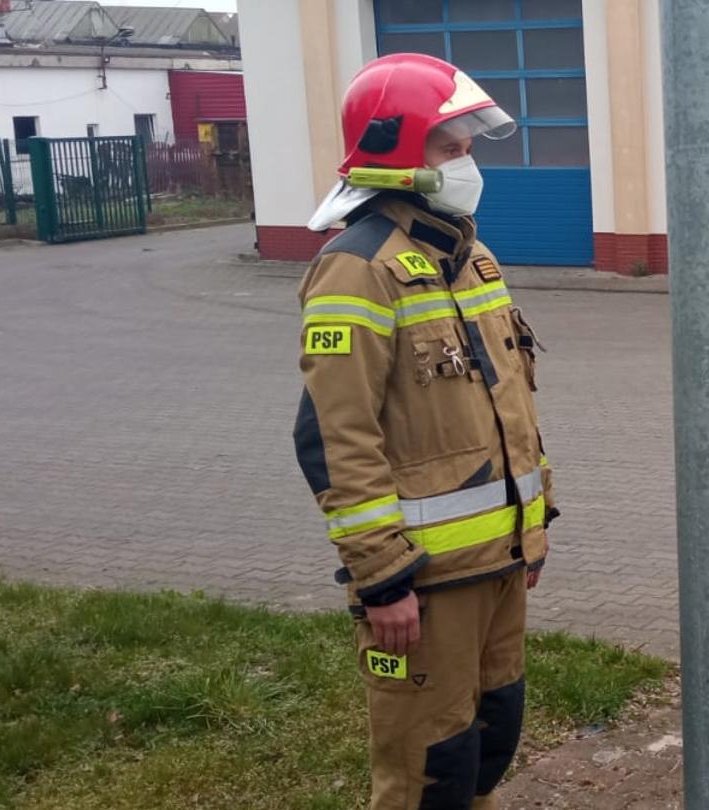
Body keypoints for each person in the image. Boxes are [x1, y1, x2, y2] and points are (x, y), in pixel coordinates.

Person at [291, 52, 556, 810]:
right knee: (425, 775)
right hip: (422, 588)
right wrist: (382, 579)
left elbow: (512, 405)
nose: (467, 163)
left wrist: (529, 531)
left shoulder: (470, 259)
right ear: (398, 153)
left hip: (498, 563)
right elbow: (333, 439)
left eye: (469, 147)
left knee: (488, 745)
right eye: (451, 148)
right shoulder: (356, 268)